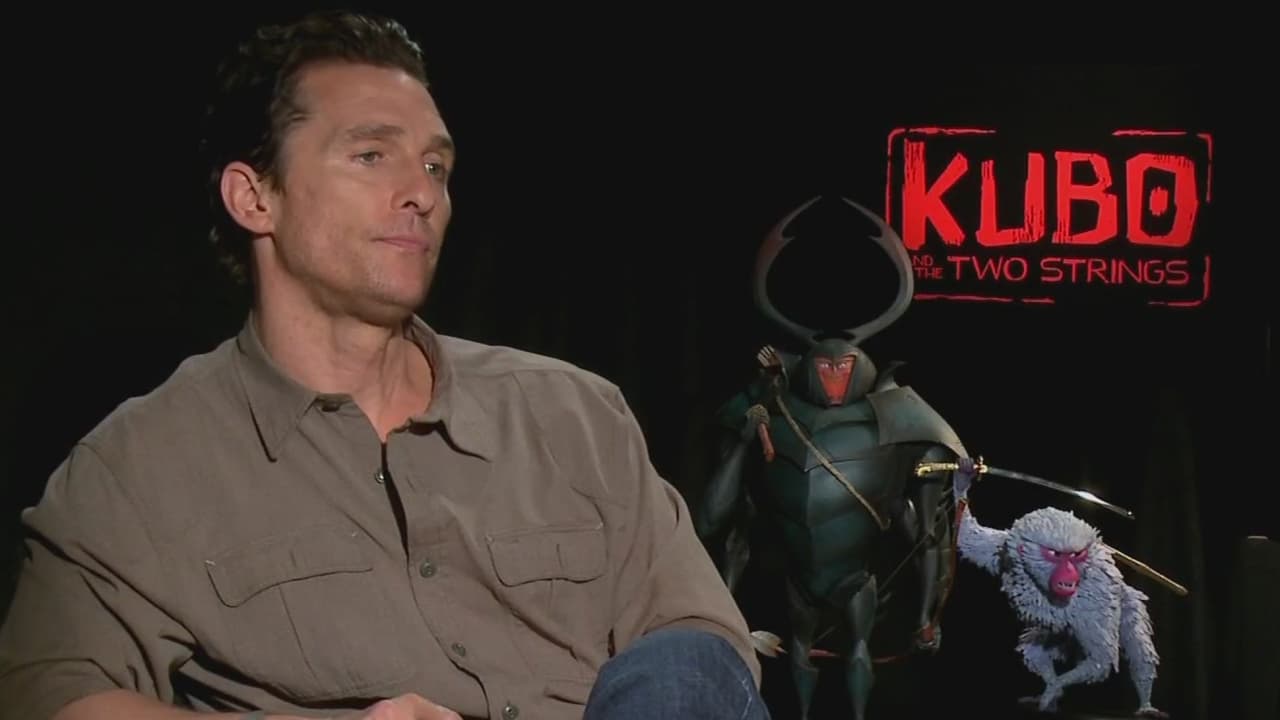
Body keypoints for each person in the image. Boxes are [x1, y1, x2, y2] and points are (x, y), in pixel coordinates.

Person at [0, 11, 766, 720]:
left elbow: (701, 645)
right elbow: (49, 692)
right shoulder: (138, 466)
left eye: (435, 166)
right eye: (371, 155)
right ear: (254, 198)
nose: (421, 193)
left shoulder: (575, 415)